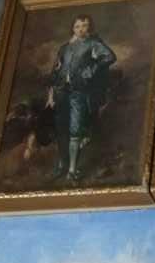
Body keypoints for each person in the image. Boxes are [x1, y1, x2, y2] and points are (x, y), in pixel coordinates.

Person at [46, 14, 116, 181]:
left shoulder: (93, 44)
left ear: (89, 28)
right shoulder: (65, 48)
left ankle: (72, 170)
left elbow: (110, 56)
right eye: (77, 26)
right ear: (73, 28)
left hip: (79, 92)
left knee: (75, 130)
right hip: (61, 92)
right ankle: (62, 165)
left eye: (84, 26)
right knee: (61, 130)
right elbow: (55, 72)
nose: (81, 29)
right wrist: (50, 95)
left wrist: (91, 70)